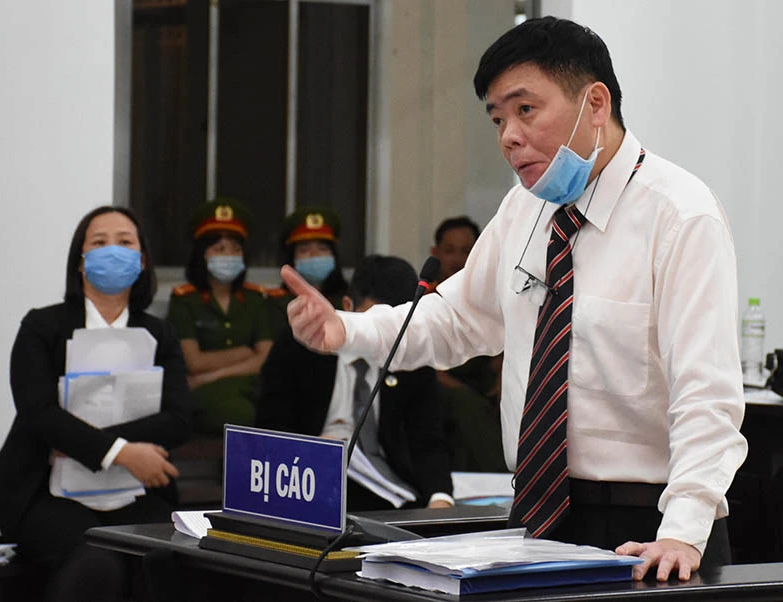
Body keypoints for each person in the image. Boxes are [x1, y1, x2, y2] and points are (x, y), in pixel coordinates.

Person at [280, 16, 748, 583]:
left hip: (650, 526)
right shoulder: (524, 209)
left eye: (526, 110)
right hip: (539, 516)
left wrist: (683, 529)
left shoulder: (680, 215)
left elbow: (706, 393)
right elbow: (457, 320)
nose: (509, 136)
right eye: (498, 119)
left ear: (595, 104)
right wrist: (346, 331)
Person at [0, 206, 192, 601]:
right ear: (80, 262)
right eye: (99, 242)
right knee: (96, 562)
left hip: (135, 490)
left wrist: (95, 446)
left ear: (141, 261)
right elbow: (38, 413)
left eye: (125, 242)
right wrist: (120, 452)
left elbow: (179, 419)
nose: (112, 250)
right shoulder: (41, 326)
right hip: (42, 493)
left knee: (166, 559)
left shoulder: (160, 333)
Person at [257, 255, 453, 511]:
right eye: (374, 322)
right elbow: (270, 424)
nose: (383, 335)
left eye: (393, 327)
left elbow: (427, 439)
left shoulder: (411, 351)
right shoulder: (302, 345)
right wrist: (309, 451)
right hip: (305, 479)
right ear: (347, 306)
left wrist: (440, 498)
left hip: (388, 488)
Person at [166, 198, 274, 435]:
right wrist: (243, 352)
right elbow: (194, 363)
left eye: (236, 249)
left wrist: (213, 374)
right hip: (208, 395)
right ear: (202, 255)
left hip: (246, 385)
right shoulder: (184, 300)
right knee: (237, 414)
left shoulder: (256, 298)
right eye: (219, 249)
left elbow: (265, 357)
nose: (229, 256)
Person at [430, 216, 507, 472]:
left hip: (480, 375)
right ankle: (499, 475)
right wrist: (463, 390)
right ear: (435, 253)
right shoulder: (427, 294)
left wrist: (504, 374)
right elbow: (427, 365)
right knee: (466, 403)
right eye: (449, 251)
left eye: (466, 251)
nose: (457, 259)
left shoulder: (489, 292)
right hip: (443, 381)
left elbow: (505, 343)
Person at [265, 205, 349, 337]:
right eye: (304, 250)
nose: (314, 255)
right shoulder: (277, 302)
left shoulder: (348, 299)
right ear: (292, 259)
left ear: (334, 256)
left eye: (322, 249)